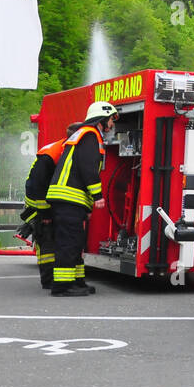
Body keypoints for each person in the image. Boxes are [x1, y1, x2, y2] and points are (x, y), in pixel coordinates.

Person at [45, 102, 116, 297]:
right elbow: (88, 168)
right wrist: (98, 196)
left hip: (69, 200)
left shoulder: (84, 135)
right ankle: (62, 286)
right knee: (69, 243)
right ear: (102, 119)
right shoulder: (90, 135)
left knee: (75, 242)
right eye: (111, 119)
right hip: (68, 198)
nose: (112, 124)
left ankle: (76, 282)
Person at [20, 122, 80, 289]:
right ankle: (48, 279)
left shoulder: (66, 149)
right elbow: (35, 185)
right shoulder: (51, 154)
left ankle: (55, 278)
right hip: (38, 204)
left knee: (55, 239)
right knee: (46, 241)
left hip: (50, 202)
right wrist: (44, 213)